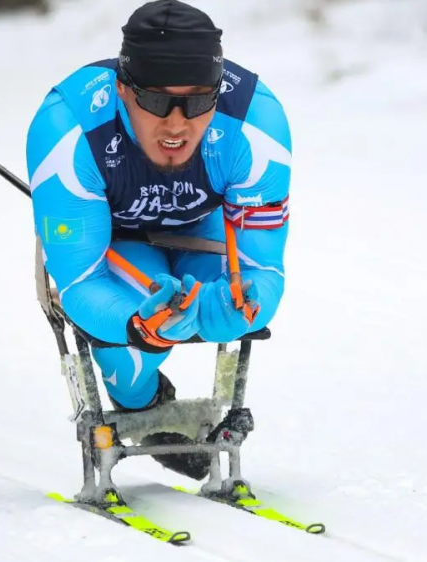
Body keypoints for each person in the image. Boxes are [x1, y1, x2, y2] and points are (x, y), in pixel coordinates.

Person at [25, 0, 291, 479]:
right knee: (130, 353)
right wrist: (136, 327)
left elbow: (265, 271)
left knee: (231, 314)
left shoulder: (255, 123)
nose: (175, 124)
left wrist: (246, 305)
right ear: (124, 90)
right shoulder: (68, 130)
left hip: (202, 230)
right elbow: (79, 284)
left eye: (196, 102)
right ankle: (147, 405)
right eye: (155, 101)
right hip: (110, 239)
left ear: (217, 92)